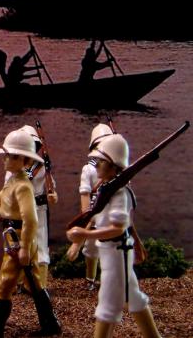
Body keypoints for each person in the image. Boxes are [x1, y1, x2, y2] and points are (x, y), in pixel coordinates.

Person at [67, 134, 161, 338]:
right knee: (133, 298)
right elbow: (95, 216)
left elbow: (119, 228)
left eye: (101, 161)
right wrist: (83, 236)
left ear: (113, 165)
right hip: (111, 252)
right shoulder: (105, 189)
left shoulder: (120, 194)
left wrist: (85, 234)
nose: (97, 166)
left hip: (117, 252)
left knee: (107, 306)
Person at [0, 129, 61, 337]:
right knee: (35, 283)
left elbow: (31, 219)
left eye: (13, 156)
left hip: (19, 240)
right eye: (7, 155)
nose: (6, 159)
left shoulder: (23, 187)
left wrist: (24, 248)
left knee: (4, 285)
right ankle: (51, 325)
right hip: (14, 238)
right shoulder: (12, 182)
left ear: (25, 161)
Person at [3, 125, 58, 291]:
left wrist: (52, 195)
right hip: (18, 212)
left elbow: (52, 189)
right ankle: (17, 282)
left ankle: (39, 284)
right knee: (17, 246)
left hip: (39, 210)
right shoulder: (12, 172)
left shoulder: (42, 170)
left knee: (40, 245)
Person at [78, 123, 113, 290]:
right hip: (95, 210)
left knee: (111, 246)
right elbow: (85, 193)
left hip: (111, 211)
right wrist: (86, 215)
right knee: (91, 249)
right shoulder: (89, 169)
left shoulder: (117, 169)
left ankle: (108, 278)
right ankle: (90, 279)